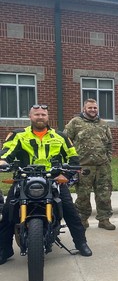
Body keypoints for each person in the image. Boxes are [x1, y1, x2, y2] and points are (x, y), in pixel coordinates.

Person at [0, 104, 93, 264]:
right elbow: (6, 152)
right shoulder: (18, 135)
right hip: (24, 178)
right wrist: (2, 162)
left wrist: (65, 174)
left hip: (53, 179)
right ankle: (4, 250)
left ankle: (81, 243)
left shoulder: (60, 136)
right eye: (37, 114)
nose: (40, 117)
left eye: (43, 114)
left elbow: (73, 158)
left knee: (70, 211)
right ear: (30, 117)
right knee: (9, 213)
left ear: (48, 117)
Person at [65, 99, 115, 230]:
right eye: (90, 108)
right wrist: (72, 160)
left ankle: (104, 219)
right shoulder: (75, 123)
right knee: (83, 195)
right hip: (83, 166)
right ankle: (82, 219)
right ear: (84, 109)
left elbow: (109, 143)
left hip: (102, 166)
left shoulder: (103, 124)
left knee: (104, 194)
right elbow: (66, 140)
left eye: (95, 108)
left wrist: (108, 158)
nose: (93, 110)